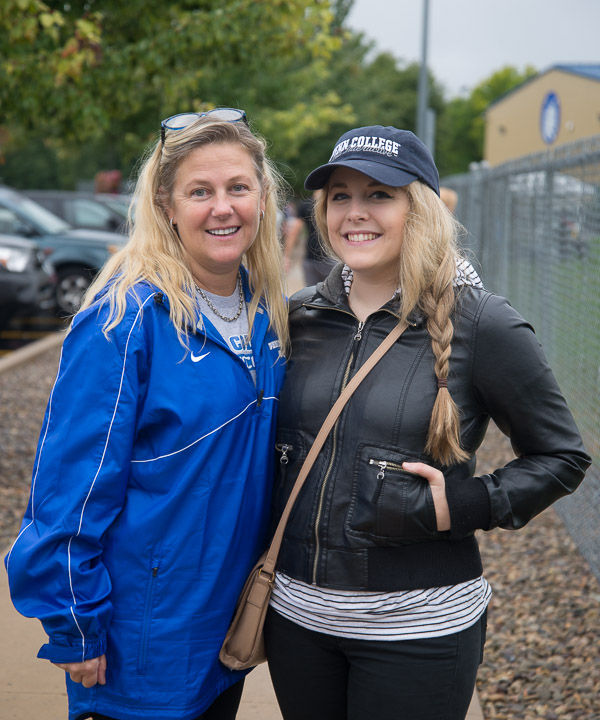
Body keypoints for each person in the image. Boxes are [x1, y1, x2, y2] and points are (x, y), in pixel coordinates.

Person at [264, 125, 590, 720]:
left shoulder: (482, 323)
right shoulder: (298, 318)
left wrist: (462, 505)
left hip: (417, 631)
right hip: (297, 624)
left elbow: (562, 456)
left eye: (379, 195)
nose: (355, 213)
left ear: (419, 208)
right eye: (340, 196)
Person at [5, 109, 288, 720]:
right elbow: (69, 489)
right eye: (199, 191)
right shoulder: (124, 320)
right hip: (139, 643)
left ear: (263, 198)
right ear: (166, 205)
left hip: (223, 634)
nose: (223, 207)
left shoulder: (267, 311)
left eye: (238, 187)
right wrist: (75, 622)